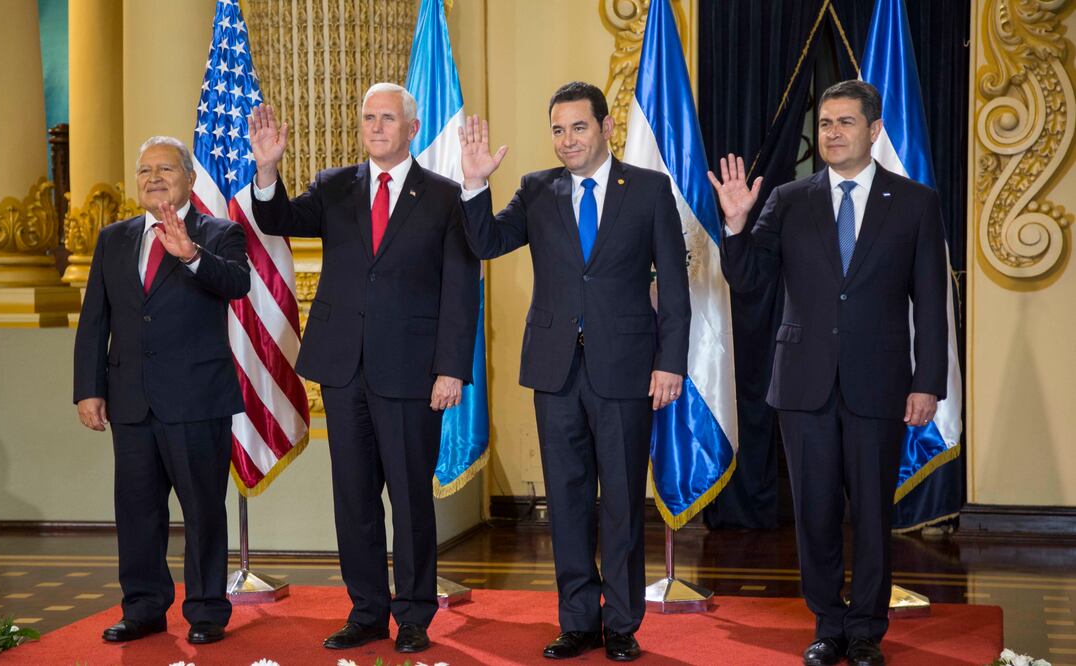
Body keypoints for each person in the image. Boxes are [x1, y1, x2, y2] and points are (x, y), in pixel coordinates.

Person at [709, 80, 948, 666]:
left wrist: (928, 381)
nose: (832, 133)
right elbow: (749, 281)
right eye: (824, 124)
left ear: (874, 129)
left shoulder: (915, 202)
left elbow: (932, 302)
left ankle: (866, 629)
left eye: (844, 122)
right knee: (813, 510)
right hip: (803, 382)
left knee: (871, 512)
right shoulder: (790, 199)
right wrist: (737, 225)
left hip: (881, 380)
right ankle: (828, 623)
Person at [458, 81, 690, 662]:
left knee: (620, 503)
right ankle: (578, 620)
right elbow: (487, 242)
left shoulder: (649, 189)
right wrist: (475, 184)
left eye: (578, 127)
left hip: (628, 369)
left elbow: (678, 290)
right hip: (556, 370)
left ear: (606, 127)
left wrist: (671, 363)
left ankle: (622, 624)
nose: (567, 140)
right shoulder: (537, 190)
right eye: (557, 130)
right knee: (564, 499)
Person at [247, 82, 479, 655]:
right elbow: (278, 218)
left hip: (413, 372)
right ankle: (367, 612)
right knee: (353, 501)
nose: (376, 127)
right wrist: (268, 171)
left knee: (409, 501)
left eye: (387, 118)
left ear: (412, 128)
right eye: (368, 118)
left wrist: (451, 368)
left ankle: (416, 616)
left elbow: (460, 289)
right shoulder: (334, 186)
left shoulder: (446, 197)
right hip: (344, 369)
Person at [74, 136, 251, 645]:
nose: (154, 178)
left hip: (196, 399)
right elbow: (95, 320)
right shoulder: (114, 238)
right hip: (130, 399)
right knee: (136, 511)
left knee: (201, 510)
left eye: (166, 169)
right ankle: (144, 608)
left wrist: (191, 255)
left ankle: (206, 612)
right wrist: (89, 388)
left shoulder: (220, 233)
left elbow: (237, 284)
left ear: (189, 180)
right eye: (145, 170)